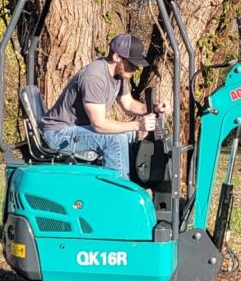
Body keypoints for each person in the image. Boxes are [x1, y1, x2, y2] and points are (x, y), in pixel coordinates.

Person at [41, 33, 167, 179]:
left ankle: (132, 181)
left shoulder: (118, 76)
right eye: (131, 63)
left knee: (129, 134)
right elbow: (99, 125)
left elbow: (129, 104)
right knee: (115, 139)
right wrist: (137, 125)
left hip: (77, 130)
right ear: (117, 57)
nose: (135, 69)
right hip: (58, 134)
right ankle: (119, 189)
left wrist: (154, 108)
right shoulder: (94, 77)